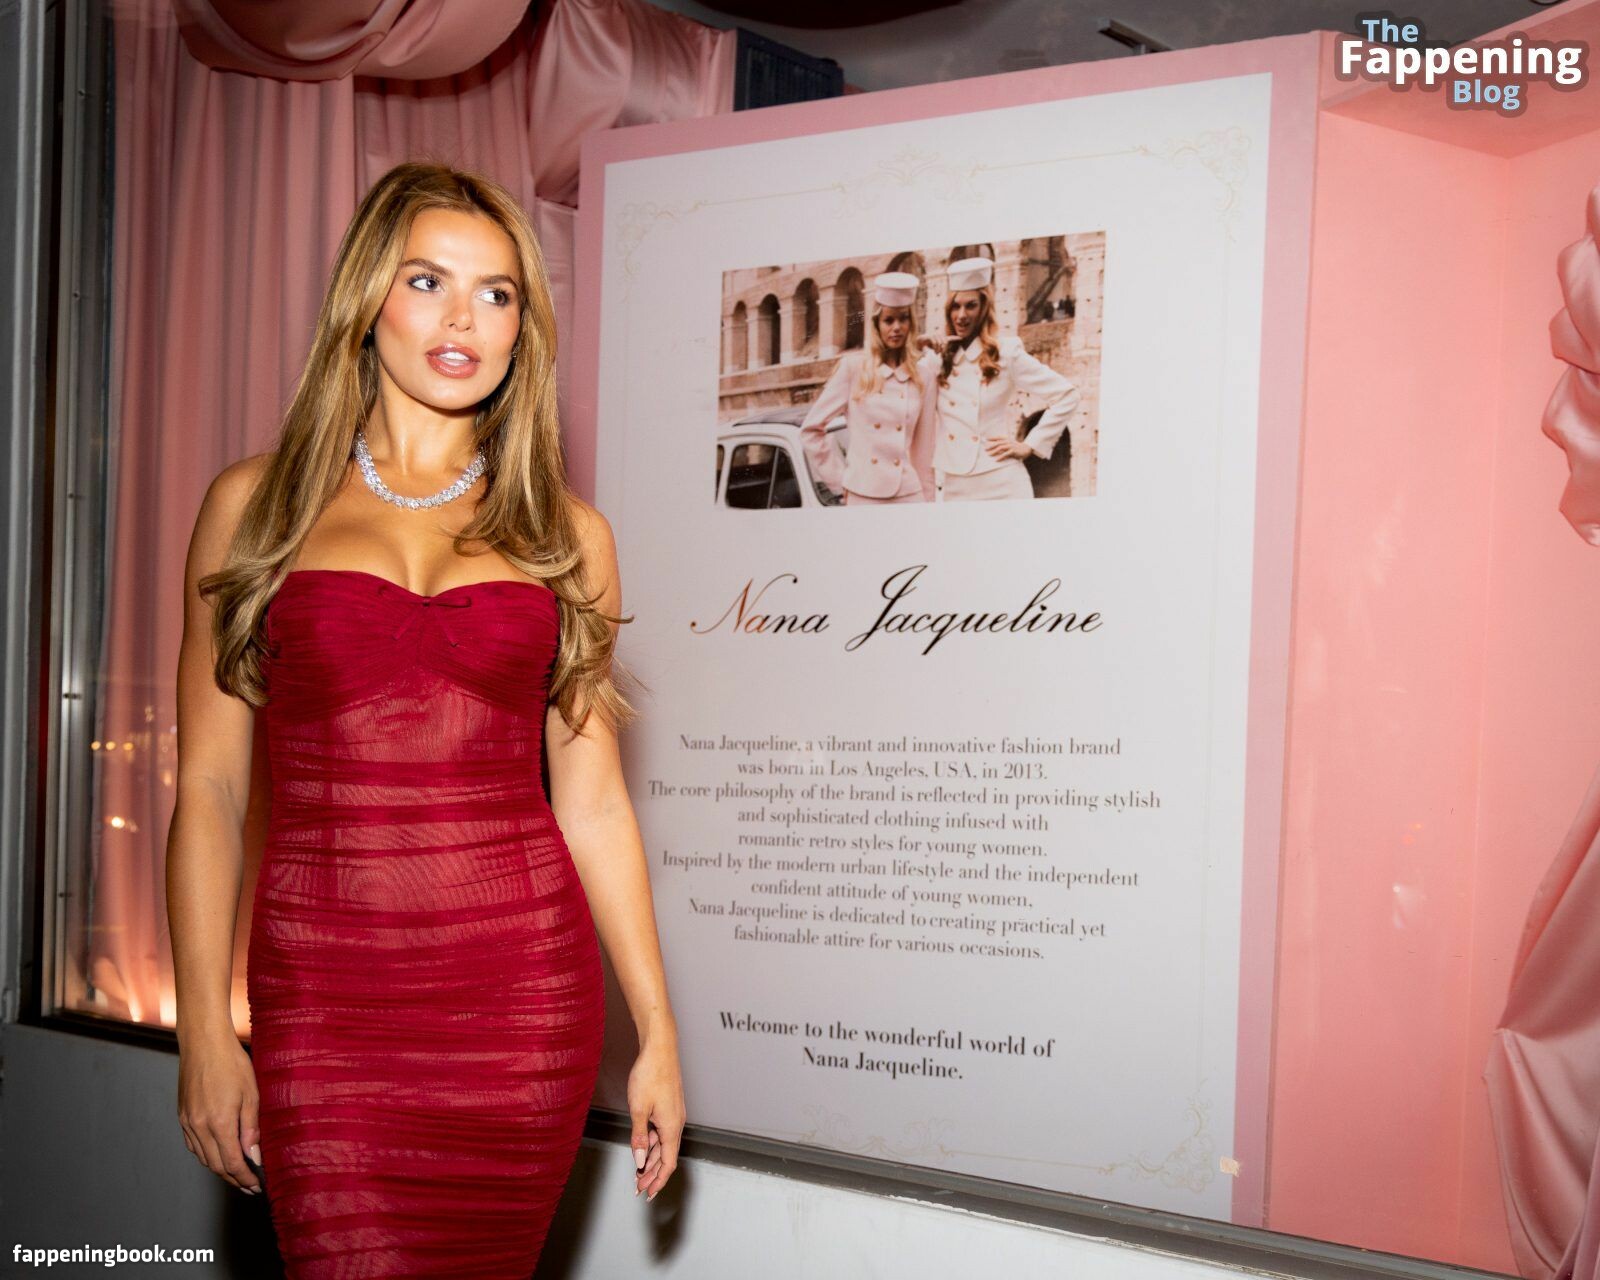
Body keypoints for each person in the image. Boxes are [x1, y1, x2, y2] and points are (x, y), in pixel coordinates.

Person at [166, 161, 684, 1277]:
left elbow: (594, 802)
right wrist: (202, 1024)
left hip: (521, 1002)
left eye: (497, 294)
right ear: (366, 299)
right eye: (427, 281)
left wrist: (657, 1031)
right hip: (325, 999)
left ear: (522, 330)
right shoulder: (255, 506)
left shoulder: (567, 535)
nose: (464, 319)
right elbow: (207, 786)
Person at [917, 255, 1081, 502]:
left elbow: (1067, 395)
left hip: (1002, 481)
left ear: (984, 308)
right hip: (953, 483)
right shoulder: (937, 359)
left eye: (971, 306)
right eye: (955, 306)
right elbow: (899, 393)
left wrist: (1029, 445)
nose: (961, 315)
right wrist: (914, 349)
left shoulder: (1006, 353)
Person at [799, 270, 937, 505]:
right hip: (863, 493)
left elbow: (924, 452)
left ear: (911, 323)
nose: (896, 327)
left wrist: (929, 503)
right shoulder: (853, 368)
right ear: (876, 324)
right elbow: (811, 430)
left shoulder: (923, 376)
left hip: (909, 495)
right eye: (888, 320)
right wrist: (840, 480)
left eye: (903, 319)